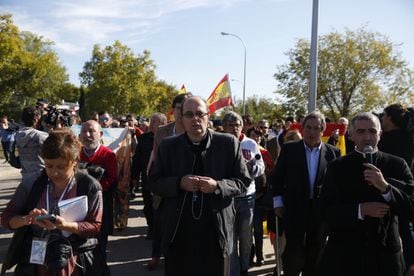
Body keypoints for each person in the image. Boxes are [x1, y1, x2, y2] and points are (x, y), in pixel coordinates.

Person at [149, 96, 251, 276]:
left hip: (215, 232)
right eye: (189, 114)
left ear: (208, 116)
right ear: (181, 118)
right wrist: (179, 182)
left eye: (199, 114)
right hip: (179, 234)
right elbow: (154, 182)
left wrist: (217, 186)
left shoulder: (228, 144)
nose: (195, 119)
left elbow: (243, 181)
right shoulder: (168, 146)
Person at [319, 112, 414, 276]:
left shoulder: (397, 164)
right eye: (361, 132)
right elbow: (326, 211)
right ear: (351, 135)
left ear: (380, 134)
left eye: (372, 131)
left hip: (385, 255)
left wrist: (386, 188)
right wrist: (360, 210)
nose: (367, 137)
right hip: (346, 254)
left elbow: (411, 207)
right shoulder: (337, 167)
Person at [1, 129, 104, 275]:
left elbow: (95, 225)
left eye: (61, 167)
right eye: (49, 165)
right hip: (37, 260)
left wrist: (65, 225)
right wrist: (26, 219)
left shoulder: (89, 185)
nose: (54, 172)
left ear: (74, 161)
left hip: (74, 259)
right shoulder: (33, 184)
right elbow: (6, 219)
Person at [271, 111, 341, 276]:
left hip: (320, 211)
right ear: (302, 129)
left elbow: (336, 185)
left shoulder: (333, 153)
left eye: (316, 128)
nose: (312, 132)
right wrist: (278, 202)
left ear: (323, 130)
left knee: (315, 252)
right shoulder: (289, 149)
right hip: (294, 208)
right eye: (308, 128)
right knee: (293, 253)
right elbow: (277, 177)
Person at [222, 112, 265, 276]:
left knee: (246, 236)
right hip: (228, 197)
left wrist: (252, 169)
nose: (235, 128)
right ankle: (233, 271)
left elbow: (260, 165)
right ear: (225, 127)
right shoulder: (219, 143)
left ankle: (244, 267)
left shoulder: (251, 143)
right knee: (230, 237)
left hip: (248, 197)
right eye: (231, 125)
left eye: (238, 125)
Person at [79, 120, 118, 275]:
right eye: (84, 132)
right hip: (79, 210)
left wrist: (93, 187)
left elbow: (113, 180)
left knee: (99, 248)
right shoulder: (76, 154)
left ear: (100, 134)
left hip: (101, 209)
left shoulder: (108, 155)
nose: (88, 135)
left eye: (92, 131)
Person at [15, 106, 49, 181]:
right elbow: (57, 146)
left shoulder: (18, 135)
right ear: (36, 118)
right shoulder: (40, 136)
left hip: (26, 177)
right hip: (41, 177)